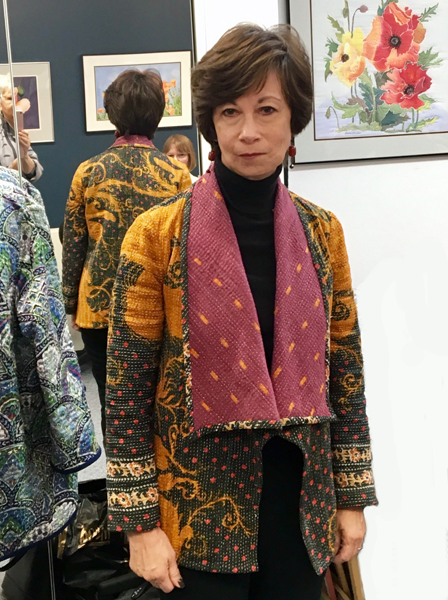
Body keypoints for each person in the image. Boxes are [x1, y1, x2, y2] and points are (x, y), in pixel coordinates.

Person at [105, 24, 377, 600]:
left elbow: (345, 372)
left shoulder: (322, 232)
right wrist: (139, 526)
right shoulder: (156, 234)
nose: (248, 131)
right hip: (195, 512)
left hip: (301, 506)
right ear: (211, 123)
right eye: (230, 112)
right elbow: (126, 390)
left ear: (294, 118)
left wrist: (352, 495)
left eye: (266, 109)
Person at [62, 69, 191, 436]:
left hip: (99, 306)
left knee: (111, 400)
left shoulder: (88, 172)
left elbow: (74, 243)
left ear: (112, 114)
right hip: (159, 305)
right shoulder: (177, 175)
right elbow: (186, 247)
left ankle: (119, 469)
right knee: (163, 398)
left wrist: (71, 303)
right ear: (158, 113)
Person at [0, 165, 100, 561]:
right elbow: (44, 323)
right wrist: (71, 438)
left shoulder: (88, 173)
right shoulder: (11, 196)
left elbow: (72, 239)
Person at [0, 74, 43, 181]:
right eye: (10, 98)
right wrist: (16, 164)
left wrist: (24, 156)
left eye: (17, 98)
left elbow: (34, 173)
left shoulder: (17, 130)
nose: (16, 103)